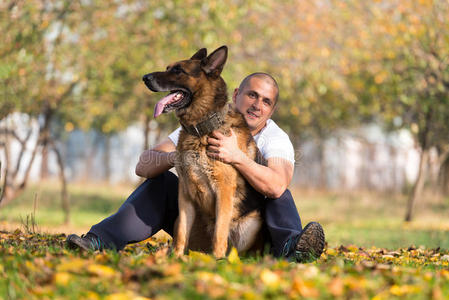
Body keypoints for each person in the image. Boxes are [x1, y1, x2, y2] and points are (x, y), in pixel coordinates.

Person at [66, 73, 325, 262]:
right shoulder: (201, 123)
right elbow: (143, 166)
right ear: (236, 95)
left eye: (266, 101)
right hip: (200, 228)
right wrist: (181, 154)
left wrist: (238, 157)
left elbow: (278, 184)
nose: (257, 104)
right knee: (161, 182)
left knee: (277, 193)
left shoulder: (275, 138)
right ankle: (99, 241)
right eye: (252, 95)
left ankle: (293, 249)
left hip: (250, 236)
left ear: (272, 110)